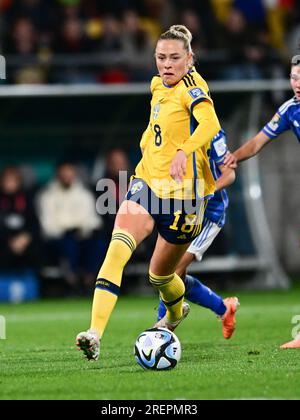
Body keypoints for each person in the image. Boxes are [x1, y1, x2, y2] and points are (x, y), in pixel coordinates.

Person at [76, 24, 222, 361]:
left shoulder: (194, 88)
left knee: (160, 276)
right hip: (147, 183)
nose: (166, 64)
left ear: (189, 59)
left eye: (174, 58)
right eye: (161, 57)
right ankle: (94, 333)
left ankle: (174, 313)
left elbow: (211, 124)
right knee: (117, 249)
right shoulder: (157, 84)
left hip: (186, 197)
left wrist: (184, 152)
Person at [224, 54, 300, 349]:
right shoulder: (290, 110)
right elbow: (257, 143)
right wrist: (232, 158)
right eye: (294, 77)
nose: (296, 83)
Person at [157, 129, 239, 339]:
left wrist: (204, 194)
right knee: (174, 276)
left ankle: (161, 332)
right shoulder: (173, 126)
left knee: (169, 272)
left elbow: (229, 174)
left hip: (209, 216)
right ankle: (223, 309)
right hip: (183, 213)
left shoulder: (212, 133)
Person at [38, 161, 103, 295]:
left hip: (83, 236)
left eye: (70, 172)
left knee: (96, 244)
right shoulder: (48, 196)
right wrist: (67, 230)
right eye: (64, 173)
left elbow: (93, 220)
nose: (67, 176)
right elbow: (47, 225)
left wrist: (82, 229)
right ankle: (72, 283)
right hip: (59, 239)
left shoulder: (84, 195)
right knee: (68, 244)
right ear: (58, 175)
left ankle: (89, 282)